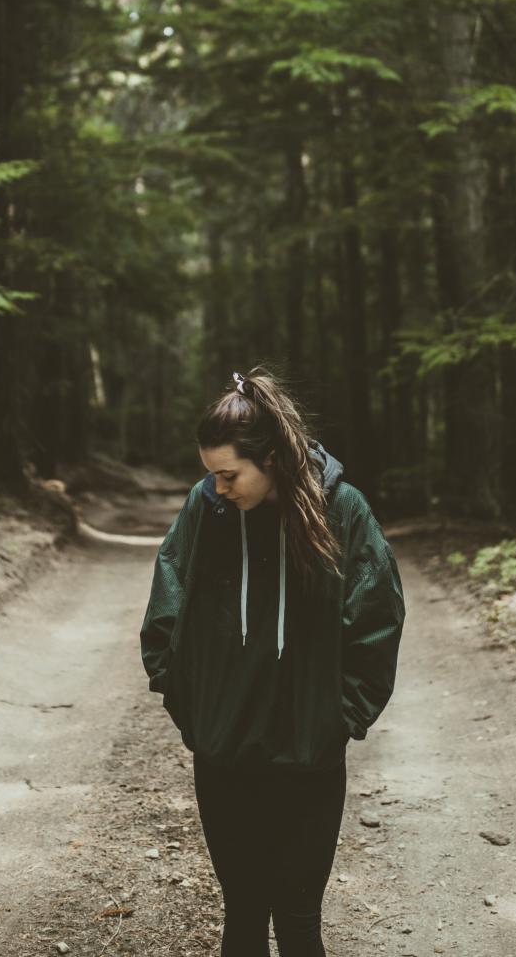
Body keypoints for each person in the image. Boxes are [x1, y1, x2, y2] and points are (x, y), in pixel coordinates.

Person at [139, 366, 406, 957]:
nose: (218, 487)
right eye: (210, 475)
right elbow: (166, 606)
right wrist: (191, 708)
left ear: (271, 460)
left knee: (298, 919)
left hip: (308, 757)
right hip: (223, 754)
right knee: (241, 918)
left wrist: (341, 717)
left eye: (229, 474)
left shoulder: (343, 513)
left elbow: (377, 620)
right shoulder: (205, 510)